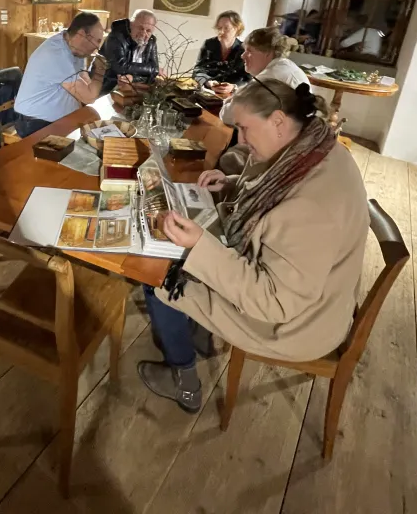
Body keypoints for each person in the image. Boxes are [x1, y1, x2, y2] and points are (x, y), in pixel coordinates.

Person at [137, 79, 369, 413]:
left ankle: (183, 378)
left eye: (245, 129)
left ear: (278, 120)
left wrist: (200, 246)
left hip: (295, 325)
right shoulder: (310, 146)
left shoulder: (311, 206)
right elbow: (268, 193)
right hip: (315, 297)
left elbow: (274, 302)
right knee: (184, 254)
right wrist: (231, 184)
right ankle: (199, 334)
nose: (241, 140)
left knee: (158, 275)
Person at [218, 27, 311, 174]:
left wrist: (229, 100)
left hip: (285, 153)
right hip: (297, 142)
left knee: (223, 151)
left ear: (267, 52)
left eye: (249, 51)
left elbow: (228, 115)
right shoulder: (285, 67)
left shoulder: (270, 77)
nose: (243, 56)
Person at [13, 12, 106, 137]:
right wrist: (100, 69)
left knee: (97, 125)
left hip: (57, 119)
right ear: (82, 35)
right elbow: (89, 97)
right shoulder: (56, 54)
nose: (97, 47)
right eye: (97, 41)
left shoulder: (75, 49)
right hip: (36, 123)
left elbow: (87, 86)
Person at [99, 9, 159, 94]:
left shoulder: (151, 41)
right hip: (105, 87)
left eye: (148, 31)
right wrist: (150, 68)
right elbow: (120, 67)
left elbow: (155, 70)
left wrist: (133, 78)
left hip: (133, 88)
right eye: (140, 28)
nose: (143, 33)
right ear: (131, 25)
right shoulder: (116, 37)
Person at [192, 10, 250, 95]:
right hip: (207, 92)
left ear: (237, 28)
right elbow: (198, 70)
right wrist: (208, 82)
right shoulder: (209, 44)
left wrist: (234, 87)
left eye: (226, 28)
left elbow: (249, 78)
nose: (221, 32)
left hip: (232, 96)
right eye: (219, 28)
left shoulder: (244, 49)